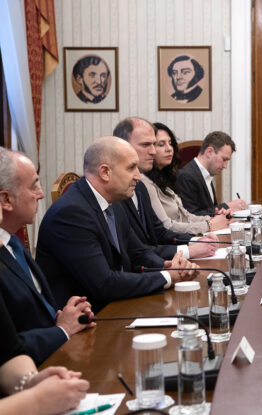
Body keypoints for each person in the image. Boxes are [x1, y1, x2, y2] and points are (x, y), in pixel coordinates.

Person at [36, 137, 200, 313]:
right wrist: (168, 276)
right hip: (90, 315)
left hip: (119, 303)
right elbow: (104, 284)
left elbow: (138, 252)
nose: (138, 176)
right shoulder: (71, 213)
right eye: (131, 168)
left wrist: (167, 265)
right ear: (105, 172)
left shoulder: (115, 201)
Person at [0, 148, 95, 364]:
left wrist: (65, 315)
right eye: (33, 186)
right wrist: (62, 329)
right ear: (6, 199)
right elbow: (7, 349)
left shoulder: (12, 240)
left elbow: (32, 310)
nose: (41, 194)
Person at [112, 117, 218, 259]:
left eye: (154, 144)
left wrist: (195, 241)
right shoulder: (123, 190)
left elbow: (159, 232)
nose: (153, 151)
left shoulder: (140, 187)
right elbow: (138, 250)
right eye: (147, 145)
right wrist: (205, 230)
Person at [144, 122, 232, 234]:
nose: (169, 149)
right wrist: (210, 224)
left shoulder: (165, 180)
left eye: (170, 143)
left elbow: (186, 216)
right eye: (161, 144)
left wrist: (215, 219)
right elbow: (166, 226)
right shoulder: (146, 182)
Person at [177, 130, 247, 216]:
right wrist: (228, 206)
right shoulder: (185, 176)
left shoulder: (206, 174)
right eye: (224, 159)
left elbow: (210, 210)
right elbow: (191, 216)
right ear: (209, 152)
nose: (225, 166)